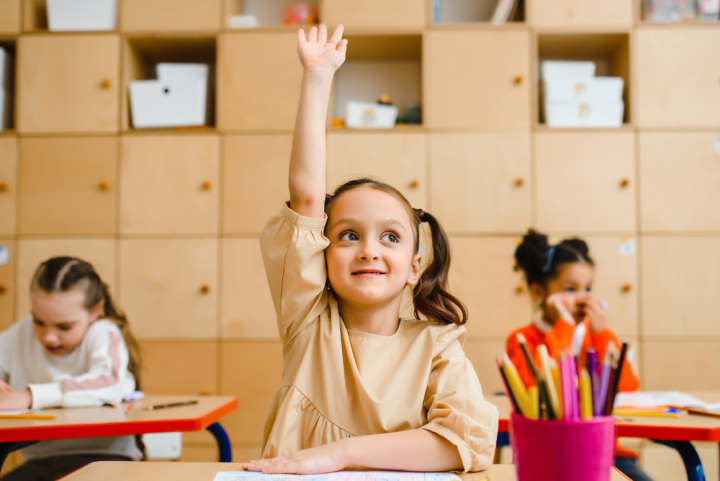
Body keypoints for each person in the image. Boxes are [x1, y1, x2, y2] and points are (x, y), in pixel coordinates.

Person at [242, 24, 498, 475]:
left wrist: (340, 455)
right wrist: (317, 79)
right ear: (320, 252)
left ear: (415, 267)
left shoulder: (438, 346)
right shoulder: (307, 321)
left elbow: (463, 443)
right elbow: (305, 198)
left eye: (391, 237)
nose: (368, 251)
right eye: (348, 235)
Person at [507, 229, 652, 481]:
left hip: (604, 453)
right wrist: (563, 327)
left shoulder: (596, 337)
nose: (583, 299)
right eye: (570, 289)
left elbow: (627, 388)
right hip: (547, 452)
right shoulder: (522, 339)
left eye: (587, 288)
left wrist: (602, 333)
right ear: (539, 292)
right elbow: (534, 385)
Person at [0, 257, 141, 481]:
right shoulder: (19, 335)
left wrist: (29, 396)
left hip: (105, 459)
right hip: (40, 462)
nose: (49, 337)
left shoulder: (104, 334)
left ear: (94, 311)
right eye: (38, 321)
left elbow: (110, 381)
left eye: (64, 326)